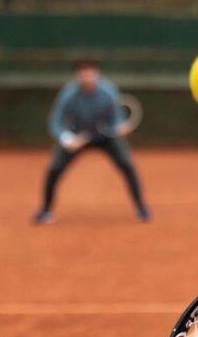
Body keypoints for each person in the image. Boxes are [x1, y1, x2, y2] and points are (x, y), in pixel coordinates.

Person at [32, 59, 151, 224]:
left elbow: (116, 116)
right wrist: (68, 139)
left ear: (97, 73)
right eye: (82, 72)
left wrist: (120, 127)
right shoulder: (68, 94)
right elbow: (55, 122)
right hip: (77, 137)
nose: (86, 75)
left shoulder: (108, 91)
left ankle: (142, 208)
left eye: (90, 71)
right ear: (77, 75)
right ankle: (45, 210)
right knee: (54, 169)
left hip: (106, 138)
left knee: (127, 165)